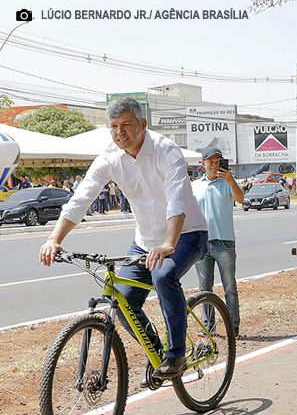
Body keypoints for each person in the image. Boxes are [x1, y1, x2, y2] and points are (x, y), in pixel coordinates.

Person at [38, 96, 208, 380]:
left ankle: (176, 354)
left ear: (143, 124)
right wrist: (55, 238)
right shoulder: (109, 158)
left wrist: (168, 244)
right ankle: (157, 353)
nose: (120, 132)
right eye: (114, 126)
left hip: (186, 234)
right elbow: (81, 199)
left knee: (164, 275)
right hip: (144, 242)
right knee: (122, 300)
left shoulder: (166, 151)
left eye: (126, 125)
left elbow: (177, 201)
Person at [192, 147, 244, 336]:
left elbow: (240, 199)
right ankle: (208, 327)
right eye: (210, 161)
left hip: (224, 242)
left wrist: (230, 179)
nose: (214, 165)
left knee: (229, 286)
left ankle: (233, 326)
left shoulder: (227, 183)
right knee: (205, 288)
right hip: (201, 243)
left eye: (217, 161)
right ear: (203, 164)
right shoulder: (195, 186)